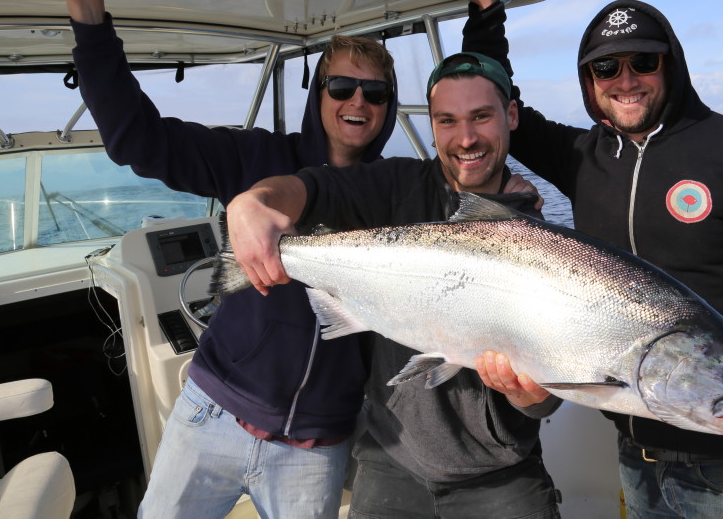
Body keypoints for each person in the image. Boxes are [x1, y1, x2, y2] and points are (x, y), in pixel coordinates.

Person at [453, 0, 723, 519]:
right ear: (589, 82)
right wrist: (487, 9)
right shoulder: (584, 156)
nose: (625, 80)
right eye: (606, 68)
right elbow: (495, 98)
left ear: (672, 65)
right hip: (634, 449)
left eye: (643, 61)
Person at [50, 0, 397, 518]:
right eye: (341, 87)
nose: (357, 101)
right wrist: (89, 15)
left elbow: (471, 136)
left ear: (388, 107)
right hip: (211, 415)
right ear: (320, 96)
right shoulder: (254, 157)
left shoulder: (396, 194)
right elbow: (137, 139)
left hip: (317, 446)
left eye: (375, 93)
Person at [222, 51, 563, 519]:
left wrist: (533, 397)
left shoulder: (544, 244)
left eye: (481, 117)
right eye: (447, 120)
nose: (465, 138)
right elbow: (316, 189)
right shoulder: (394, 184)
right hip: (390, 460)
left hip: (501, 474)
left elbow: (545, 396)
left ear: (511, 115)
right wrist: (253, 202)